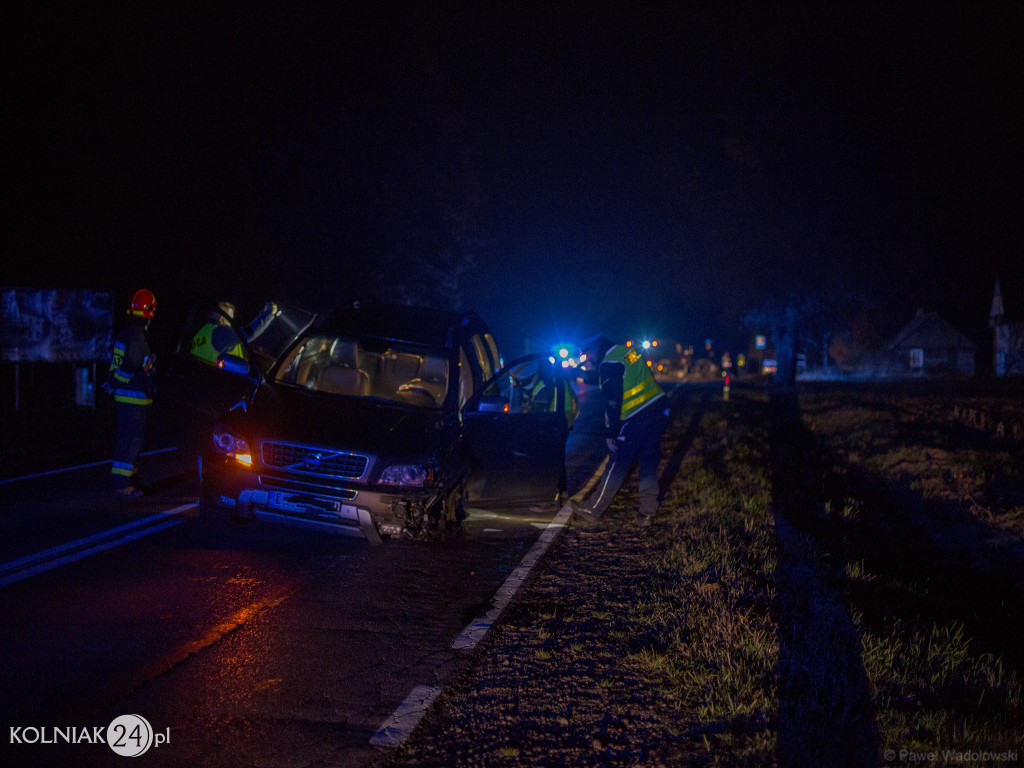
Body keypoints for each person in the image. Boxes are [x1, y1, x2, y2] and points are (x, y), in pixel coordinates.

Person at [573, 335, 669, 524]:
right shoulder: (624, 352)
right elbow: (618, 377)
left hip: (635, 419)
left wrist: (612, 434)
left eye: (586, 356)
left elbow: (612, 401)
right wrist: (583, 374)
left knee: (616, 465)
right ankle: (648, 511)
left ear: (593, 350)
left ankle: (593, 509)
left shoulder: (608, 364)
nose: (586, 361)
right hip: (657, 412)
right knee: (648, 464)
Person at [104, 288, 157, 498]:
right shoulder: (136, 336)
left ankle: (129, 479)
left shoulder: (127, 333)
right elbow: (131, 365)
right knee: (131, 441)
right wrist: (115, 383)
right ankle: (121, 484)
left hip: (126, 398)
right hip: (133, 399)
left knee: (129, 440)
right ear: (150, 311)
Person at [190, 301, 278, 367]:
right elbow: (248, 334)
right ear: (221, 319)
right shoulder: (220, 333)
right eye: (229, 320)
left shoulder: (203, 331)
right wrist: (268, 313)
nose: (231, 325)